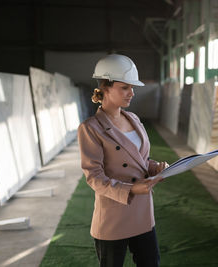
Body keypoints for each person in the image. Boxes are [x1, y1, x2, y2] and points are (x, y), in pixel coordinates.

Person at [77, 54, 168, 267]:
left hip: (143, 213)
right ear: (105, 89)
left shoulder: (134, 119)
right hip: (113, 215)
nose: (132, 93)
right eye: (125, 87)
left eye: (132, 87)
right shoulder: (91, 128)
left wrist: (156, 168)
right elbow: (94, 177)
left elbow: (139, 160)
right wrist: (132, 189)